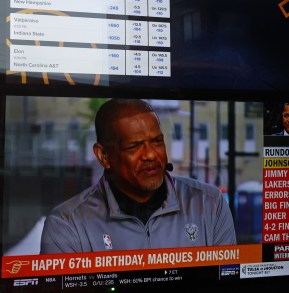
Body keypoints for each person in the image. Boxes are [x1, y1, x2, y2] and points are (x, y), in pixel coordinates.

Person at [40, 98, 236, 254]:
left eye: (157, 141)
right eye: (134, 146)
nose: (151, 154)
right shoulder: (67, 225)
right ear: (104, 156)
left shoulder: (210, 204)